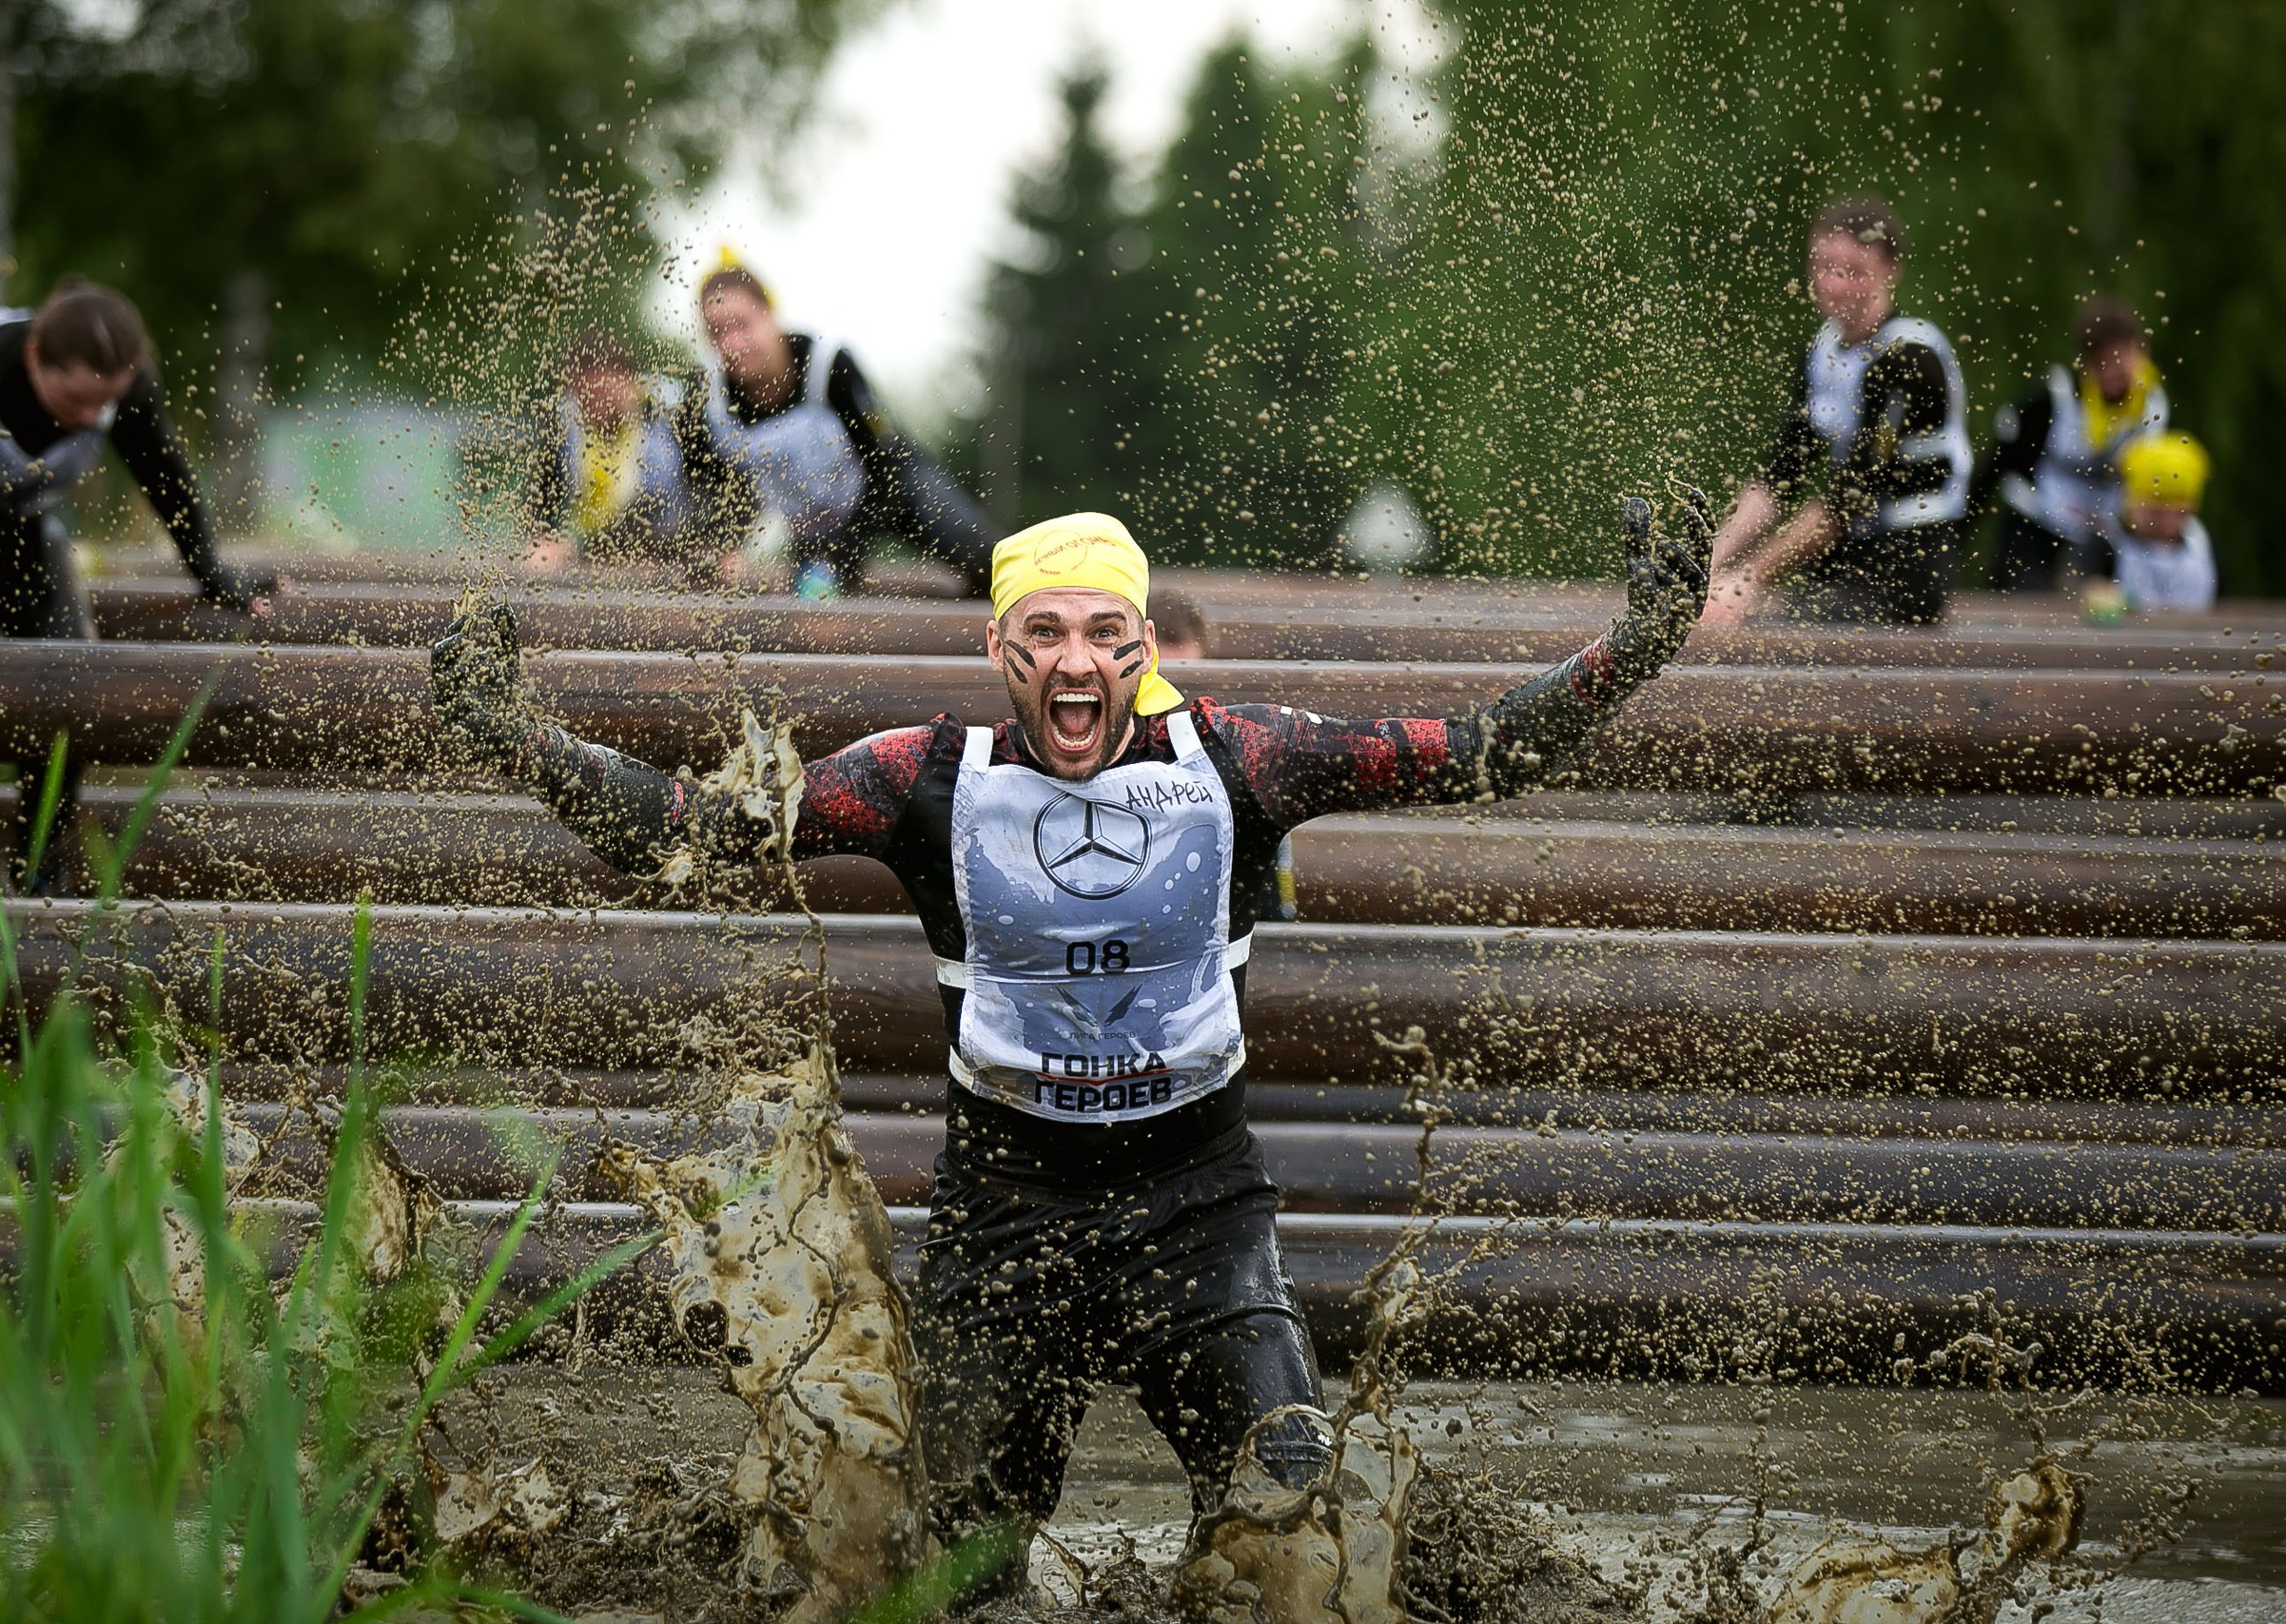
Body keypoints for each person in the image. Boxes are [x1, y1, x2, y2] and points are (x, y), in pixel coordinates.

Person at [430, 495, 1712, 1589]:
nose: (1075, 659)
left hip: (1200, 1219)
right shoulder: (920, 774)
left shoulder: (1240, 754)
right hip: (1004, 1232)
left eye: (1105, 632)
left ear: (1143, 646)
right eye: (1045, 632)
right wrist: (509, 731)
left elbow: (1477, 751)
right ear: (1002, 650)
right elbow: (697, 828)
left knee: (1292, 1528)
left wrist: (1645, 639)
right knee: (955, 1571)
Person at [0, 278, 274, 890]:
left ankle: (40, 868)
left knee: (69, 670)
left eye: (101, 406)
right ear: (34, 358)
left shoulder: (124, 387)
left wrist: (213, 574)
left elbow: (166, 480)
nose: (88, 419)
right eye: (74, 402)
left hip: (15, 526)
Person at [1703, 198, 1971, 627]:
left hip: (1910, 560)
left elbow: (1851, 497)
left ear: (1890, 269)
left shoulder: (1910, 356)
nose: (1833, 284)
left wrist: (1747, 581)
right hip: (1851, 553)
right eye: (1823, 267)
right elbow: (1778, 476)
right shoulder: (1822, 350)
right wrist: (1707, 567)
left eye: (1850, 270)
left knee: (1769, 626)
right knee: (1733, 614)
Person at [696, 257, 995, 599]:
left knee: (981, 557)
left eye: (742, 325)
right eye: (718, 332)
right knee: (810, 599)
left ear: (770, 314)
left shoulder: (829, 365)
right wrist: (722, 548)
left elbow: (885, 466)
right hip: (812, 530)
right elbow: (720, 489)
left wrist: (841, 551)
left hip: (893, 494)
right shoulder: (712, 401)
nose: (733, 344)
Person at [1973, 297, 2169, 591]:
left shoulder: (2156, 409)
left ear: (2142, 351)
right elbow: (1996, 465)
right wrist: (1955, 536)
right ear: (2086, 363)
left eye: (2123, 356)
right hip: (2037, 529)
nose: (2116, 370)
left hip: (2106, 540)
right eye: (2104, 361)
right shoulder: (2050, 400)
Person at [520, 329, 747, 582]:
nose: (597, 405)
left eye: (605, 392)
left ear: (629, 382)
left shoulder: (673, 415)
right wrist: (543, 537)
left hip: (678, 548)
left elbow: (719, 480)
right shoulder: (563, 425)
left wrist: (722, 542)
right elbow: (539, 494)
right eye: (586, 396)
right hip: (597, 550)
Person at [2088, 431, 2218, 615]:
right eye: (2155, 512)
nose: (2164, 522)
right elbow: (2074, 585)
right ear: (2131, 505)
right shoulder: (2105, 544)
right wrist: (2094, 593)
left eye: (2176, 513)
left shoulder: (2202, 546)